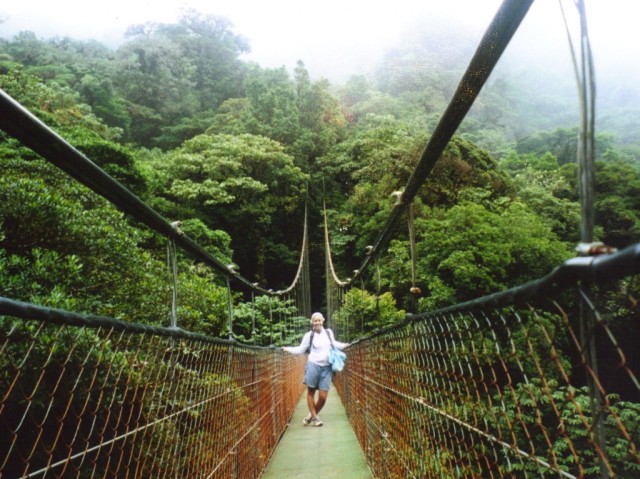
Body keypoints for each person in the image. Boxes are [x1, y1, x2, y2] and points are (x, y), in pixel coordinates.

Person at [281, 312, 349, 427]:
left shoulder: (328, 332)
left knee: (323, 396)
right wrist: (288, 349)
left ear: (323, 321)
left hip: (327, 367)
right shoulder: (309, 335)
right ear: (312, 322)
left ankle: (310, 416)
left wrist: (345, 345)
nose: (317, 322)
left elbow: (335, 344)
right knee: (311, 392)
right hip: (313, 364)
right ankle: (315, 418)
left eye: (319, 320)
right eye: (315, 320)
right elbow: (301, 349)